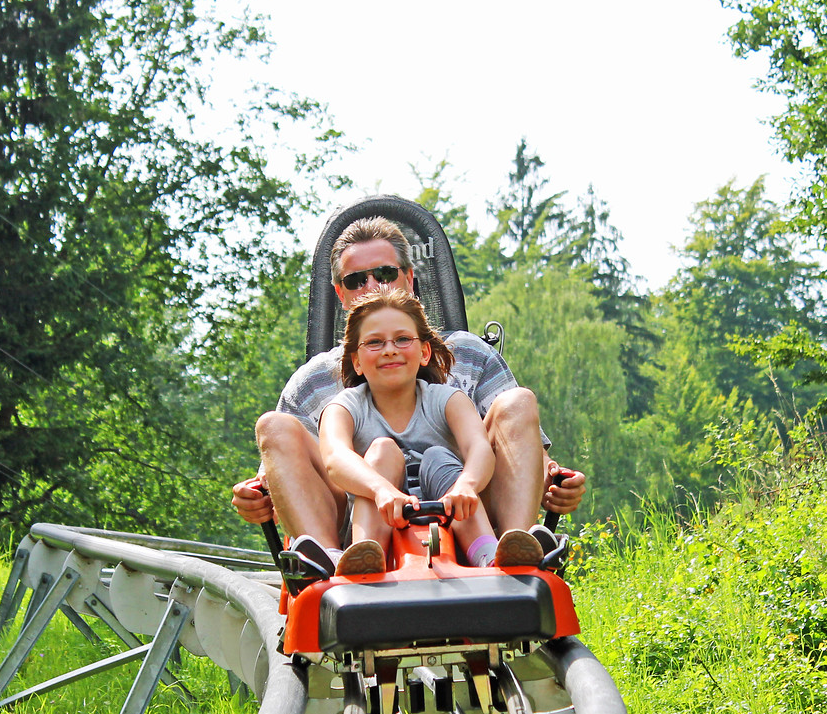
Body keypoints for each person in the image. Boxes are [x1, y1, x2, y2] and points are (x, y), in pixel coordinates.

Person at [231, 214, 585, 575]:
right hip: (354, 524)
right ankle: (331, 562)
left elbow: (520, 449)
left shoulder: (469, 355)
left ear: (409, 278)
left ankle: (511, 549)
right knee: (274, 425)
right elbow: (284, 479)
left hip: (468, 508)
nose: (372, 287)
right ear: (340, 293)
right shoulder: (313, 383)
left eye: (384, 274)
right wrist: (258, 497)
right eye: (356, 280)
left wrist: (551, 475)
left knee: (518, 400)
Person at [317, 288, 545, 574]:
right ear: (357, 361)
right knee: (381, 451)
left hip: (454, 520)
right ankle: (366, 556)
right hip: (381, 522)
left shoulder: (448, 400)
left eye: (402, 339)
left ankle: (493, 555)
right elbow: (335, 458)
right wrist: (382, 490)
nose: (390, 349)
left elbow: (479, 448)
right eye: (375, 342)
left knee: (440, 457)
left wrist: (467, 486)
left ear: (425, 352)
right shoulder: (344, 407)